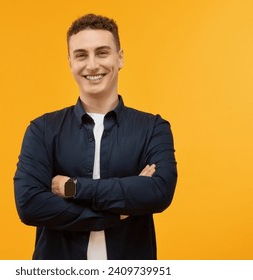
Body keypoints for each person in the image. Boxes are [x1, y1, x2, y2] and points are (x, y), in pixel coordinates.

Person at [13, 13, 177, 260]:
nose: (92, 65)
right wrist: (115, 213)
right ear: (70, 62)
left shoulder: (153, 127)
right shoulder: (42, 129)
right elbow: (29, 205)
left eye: (102, 52)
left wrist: (71, 187)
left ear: (119, 58)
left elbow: (158, 192)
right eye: (81, 55)